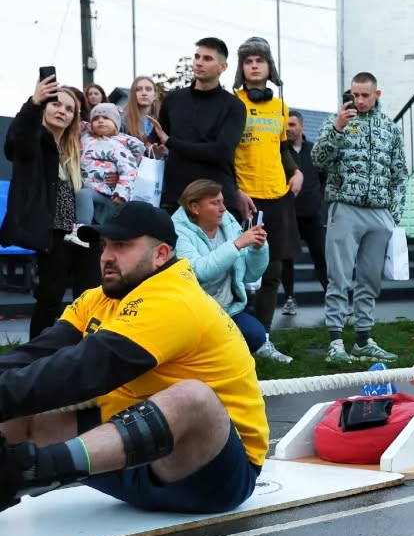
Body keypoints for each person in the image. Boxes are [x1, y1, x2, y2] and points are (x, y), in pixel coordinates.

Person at [0, 202, 269, 516]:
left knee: (194, 398)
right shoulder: (98, 297)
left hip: (210, 475)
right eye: (104, 246)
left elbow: (86, 369)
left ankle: (34, 471)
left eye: (122, 245)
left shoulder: (175, 299)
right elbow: (36, 355)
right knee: (22, 410)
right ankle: (23, 475)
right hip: (131, 461)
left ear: (161, 254)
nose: (106, 257)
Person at [313, 71, 408, 366]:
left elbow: (400, 173)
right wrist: (338, 129)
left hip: (379, 214)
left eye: (366, 95)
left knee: (369, 279)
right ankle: (335, 341)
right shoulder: (336, 121)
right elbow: (318, 159)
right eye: (355, 94)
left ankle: (364, 339)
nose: (359, 100)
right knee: (338, 278)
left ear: (376, 95)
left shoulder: (390, 128)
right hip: (345, 208)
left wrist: (393, 215)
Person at [1, 77, 103, 337]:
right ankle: (36, 357)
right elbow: (16, 141)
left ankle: (82, 348)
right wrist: (34, 103)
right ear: (44, 107)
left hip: (78, 230)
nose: (62, 111)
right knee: (50, 298)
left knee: (90, 295)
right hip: (51, 231)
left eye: (69, 109)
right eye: (56, 104)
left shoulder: (72, 149)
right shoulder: (34, 141)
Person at [229, 35, 297, 363]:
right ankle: (234, 338)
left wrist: (295, 172)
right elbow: (224, 152)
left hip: (278, 196)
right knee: (238, 270)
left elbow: (282, 148)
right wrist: (234, 190)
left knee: (274, 268)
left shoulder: (281, 107)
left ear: (270, 67)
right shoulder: (231, 104)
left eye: (260, 60)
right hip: (244, 195)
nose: (254, 65)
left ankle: (264, 340)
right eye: (248, 60)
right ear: (241, 69)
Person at [171, 180, 270, 353]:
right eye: (215, 203)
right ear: (195, 208)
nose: (223, 208)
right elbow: (198, 271)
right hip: (192, 313)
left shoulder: (228, 222)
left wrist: (258, 249)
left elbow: (250, 276)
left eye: (222, 201)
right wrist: (236, 244)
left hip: (227, 309)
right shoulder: (178, 231)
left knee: (256, 335)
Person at [159, 38, 247, 216]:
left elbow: (221, 151)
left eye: (207, 58)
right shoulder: (173, 100)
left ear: (222, 67)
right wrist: (156, 146)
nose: (199, 62)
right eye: (197, 57)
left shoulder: (234, 106)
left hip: (217, 200)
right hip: (175, 198)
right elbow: (159, 139)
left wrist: (171, 143)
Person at [279, 111, 327, 316]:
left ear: (302, 127)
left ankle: (331, 297)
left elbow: (324, 179)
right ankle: (289, 298)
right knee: (287, 258)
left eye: (292, 124)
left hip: (313, 215)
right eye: (285, 125)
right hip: (287, 215)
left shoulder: (314, 150)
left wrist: (320, 203)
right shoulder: (280, 152)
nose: (288, 128)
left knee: (322, 256)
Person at [80, 103, 139, 223]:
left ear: (116, 123)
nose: (100, 121)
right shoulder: (85, 139)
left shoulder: (120, 145)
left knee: (84, 194)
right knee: (82, 195)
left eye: (106, 118)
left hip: (109, 195)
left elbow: (129, 170)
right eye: (96, 119)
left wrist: (121, 193)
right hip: (87, 188)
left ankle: (81, 228)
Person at [122, 75, 167, 158]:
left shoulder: (164, 121)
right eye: (138, 89)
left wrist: (162, 153)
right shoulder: (123, 121)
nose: (144, 93)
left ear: (155, 95)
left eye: (148, 89)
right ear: (133, 94)